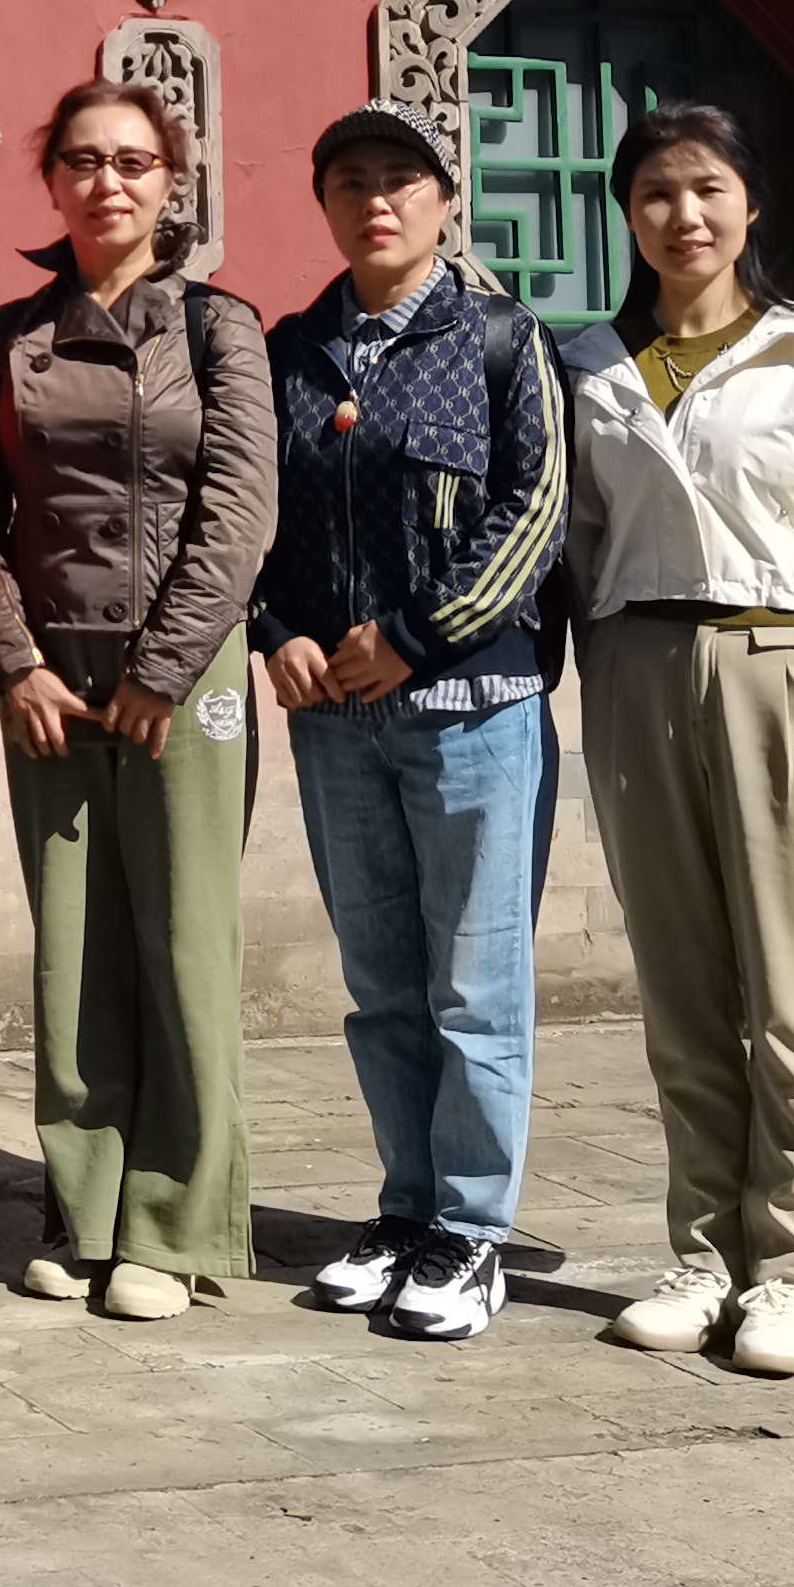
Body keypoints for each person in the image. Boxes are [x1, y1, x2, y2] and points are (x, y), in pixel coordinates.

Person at [566, 101, 794, 1383]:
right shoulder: (592, 368)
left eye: (707, 189)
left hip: (781, 659)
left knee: (790, 987)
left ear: (750, 204)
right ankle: (701, 1256)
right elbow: (578, 540)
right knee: (680, 985)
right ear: (628, 216)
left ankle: (786, 1271)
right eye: (657, 194)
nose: (684, 215)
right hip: (637, 667)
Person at [254, 101, 570, 1346]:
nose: (376, 200)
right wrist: (277, 626)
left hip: (472, 710)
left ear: (445, 200)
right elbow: (259, 517)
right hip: (337, 722)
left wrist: (418, 637)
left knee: (475, 984)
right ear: (324, 206)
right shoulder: (293, 352)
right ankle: (405, 1207)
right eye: (351, 182)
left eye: (401, 179)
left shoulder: (501, 339)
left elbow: (534, 510)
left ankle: (472, 1230)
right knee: (381, 982)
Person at [0, 79, 276, 1323]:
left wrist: (164, 668)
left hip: (183, 680)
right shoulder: (10, 335)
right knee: (76, 948)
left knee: (185, 942)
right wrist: (15, 662)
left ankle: (175, 1225)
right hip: (53, 679)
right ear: (52, 181)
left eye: (134, 162)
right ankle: (83, 1210)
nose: (108, 182)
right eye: (85, 161)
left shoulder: (217, 328)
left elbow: (239, 509)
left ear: (171, 183)